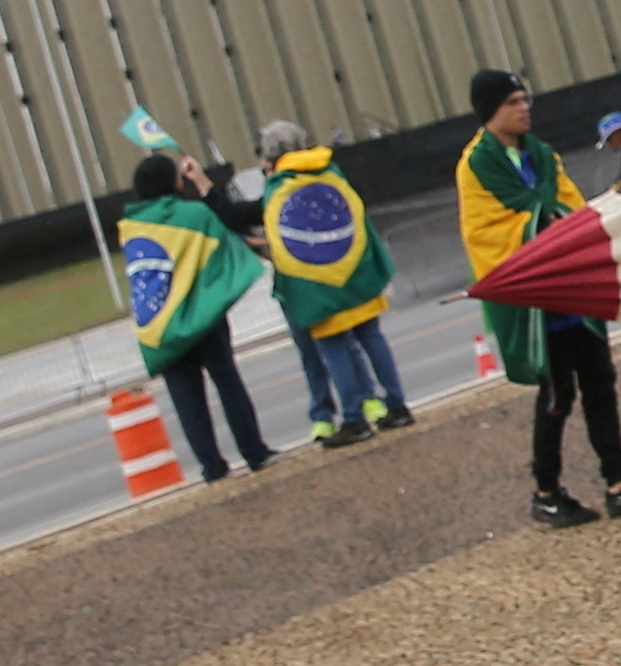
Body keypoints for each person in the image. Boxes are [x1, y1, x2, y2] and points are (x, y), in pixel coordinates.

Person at [457, 69, 621, 526]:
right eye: (514, 102)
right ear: (492, 109)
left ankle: (619, 481)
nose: (524, 108)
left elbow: (572, 209)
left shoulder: (542, 154)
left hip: (572, 289)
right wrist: (545, 228)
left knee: (599, 382)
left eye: (524, 99)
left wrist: (567, 231)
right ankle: (546, 490)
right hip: (536, 297)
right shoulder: (476, 164)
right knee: (556, 393)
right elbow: (485, 232)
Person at [234, 127, 414, 451]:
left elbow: (282, 240)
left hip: (317, 279)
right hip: (354, 268)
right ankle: (397, 405)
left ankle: (353, 419)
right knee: (371, 337)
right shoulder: (331, 170)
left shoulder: (279, 187)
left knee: (334, 348)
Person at [116, 154, 275, 481]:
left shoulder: (132, 229)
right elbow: (226, 239)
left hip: (163, 325)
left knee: (187, 400)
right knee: (228, 383)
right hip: (203, 317)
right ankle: (254, 452)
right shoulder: (194, 214)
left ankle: (212, 467)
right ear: (174, 182)